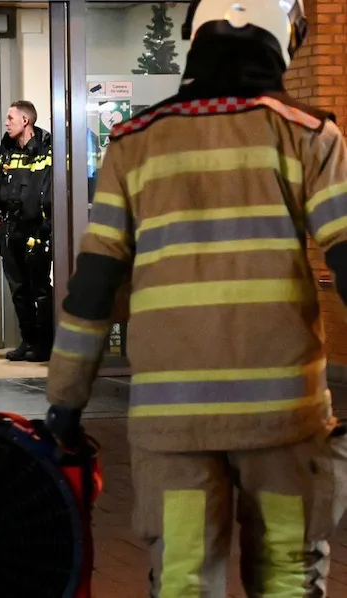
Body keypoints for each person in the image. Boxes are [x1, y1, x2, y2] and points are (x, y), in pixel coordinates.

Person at [44, 0, 347, 595]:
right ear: (286, 36)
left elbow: (95, 285)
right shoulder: (310, 134)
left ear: (195, 36)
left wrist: (66, 399)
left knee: (184, 580)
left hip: (171, 418)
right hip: (282, 418)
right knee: (288, 575)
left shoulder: (134, 141)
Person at [0, 100, 54, 362]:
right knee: (18, 289)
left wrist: (45, 226)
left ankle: (45, 344)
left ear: (25, 121)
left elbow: (50, 189)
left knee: (39, 287)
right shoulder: (6, 151)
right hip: (11, 229)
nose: (6, 123)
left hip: (36, 229)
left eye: (10, 118)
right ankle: (28, 341)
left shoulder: (48, 149)